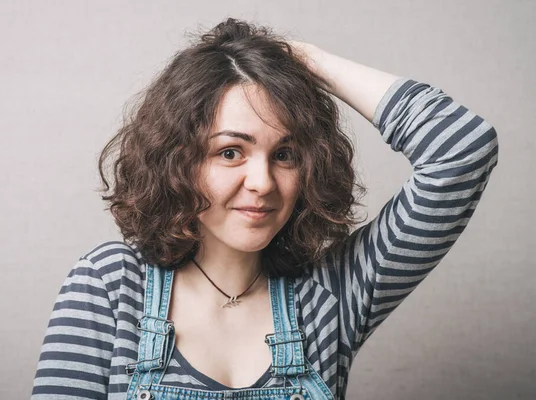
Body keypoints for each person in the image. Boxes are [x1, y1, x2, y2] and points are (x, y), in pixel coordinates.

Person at [31, 18, 499, 400]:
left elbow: (463, 150)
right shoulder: (111, 286)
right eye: (230, 151)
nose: (262, 183)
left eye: (285, 154)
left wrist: (305, 62)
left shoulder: (330, 295)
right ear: (178, 161)